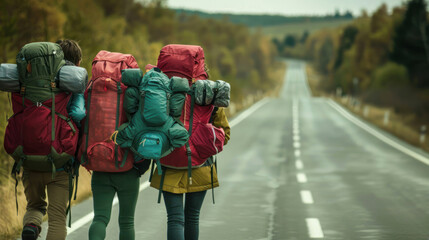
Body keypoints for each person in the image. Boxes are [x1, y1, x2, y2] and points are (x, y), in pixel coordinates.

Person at [150, 44, 231, 240]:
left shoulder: (160, 88)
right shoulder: (209, 93)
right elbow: (225, 134)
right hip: (201, 166)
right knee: (192, 218)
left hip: (167, 162)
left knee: (175, 219)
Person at [21, 39, 86, 240]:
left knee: (34, 206)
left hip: (29, 159)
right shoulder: (72, 82)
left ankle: (31, 226)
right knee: (57, 219)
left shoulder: (29, 80)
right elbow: (79, 113)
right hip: (60, 163)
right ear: (77, 61)